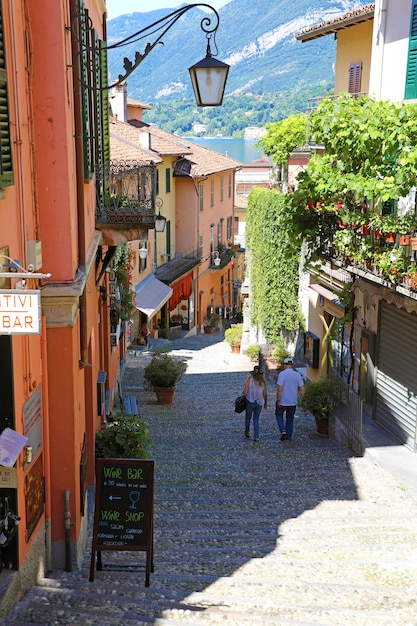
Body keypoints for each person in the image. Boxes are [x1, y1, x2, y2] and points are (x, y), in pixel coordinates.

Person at [275, 357, 305, 441]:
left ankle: (283, 430)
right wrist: (300, 401)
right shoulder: (297, 374)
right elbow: (302, 390)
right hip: (292, 401)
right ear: (292, 365)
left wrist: (278, 400)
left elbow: (280, 389)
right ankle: (288, 436)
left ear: (285, 365)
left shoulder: (282, 374)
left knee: (278, 415)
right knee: (290, 418)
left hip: (283, 401)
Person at [243, 365, 267, 442]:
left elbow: (245, 392)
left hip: (250, 401)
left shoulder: (249, 380)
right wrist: (265, 403)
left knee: (248, 418)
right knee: (256, 419)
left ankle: (247, 431)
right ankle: (256, 436)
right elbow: (265, 394)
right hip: (259, 402)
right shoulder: (262, 382)